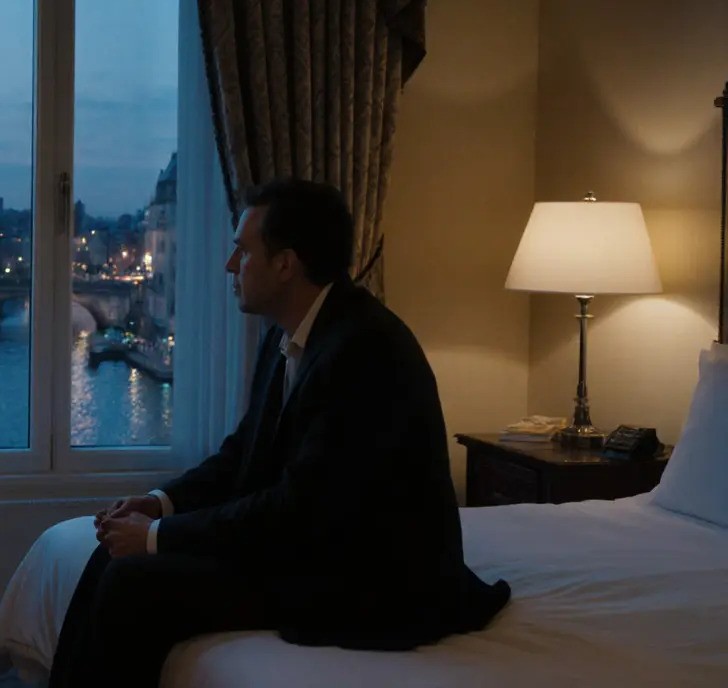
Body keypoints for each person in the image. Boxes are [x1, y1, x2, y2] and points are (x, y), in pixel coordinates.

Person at [48, 178, 511, 688]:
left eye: (243, 251)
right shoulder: (290, 332)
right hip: (313, 546)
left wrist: (159, 538)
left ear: (286, 264)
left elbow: (302, 507)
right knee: (112, 555)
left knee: (131, 582)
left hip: (366, 579)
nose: (230, 265)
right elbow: (243, 452)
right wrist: (160, 504)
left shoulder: (367, 352)